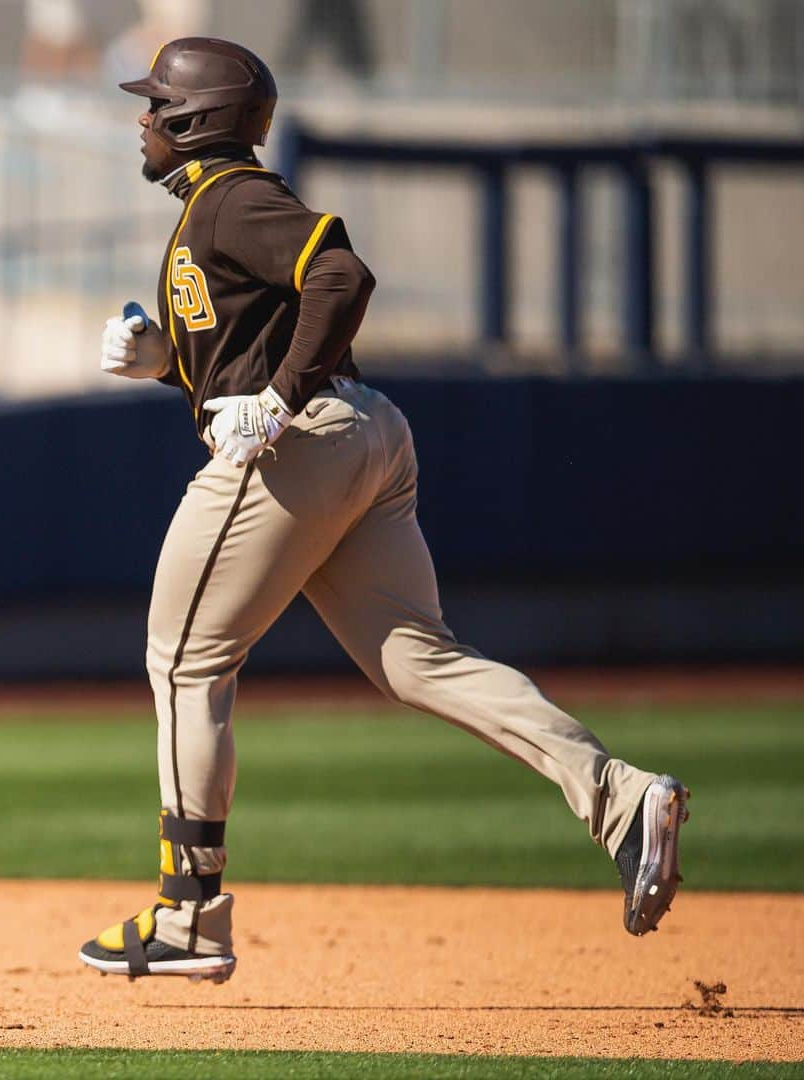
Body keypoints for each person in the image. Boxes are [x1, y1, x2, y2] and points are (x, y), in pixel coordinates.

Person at [78, 38, 688, 984]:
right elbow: (254, 346)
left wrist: (279, 397)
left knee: (184, 656)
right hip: (362, 434)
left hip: (307, 439)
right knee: (420, 660)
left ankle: (188, 914)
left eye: (157, 104)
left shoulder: (234, 198)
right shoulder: (213, 209)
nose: (143, 118)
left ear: (198, 120)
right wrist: (171, 363)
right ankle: (620, 796)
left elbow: (341, 276)